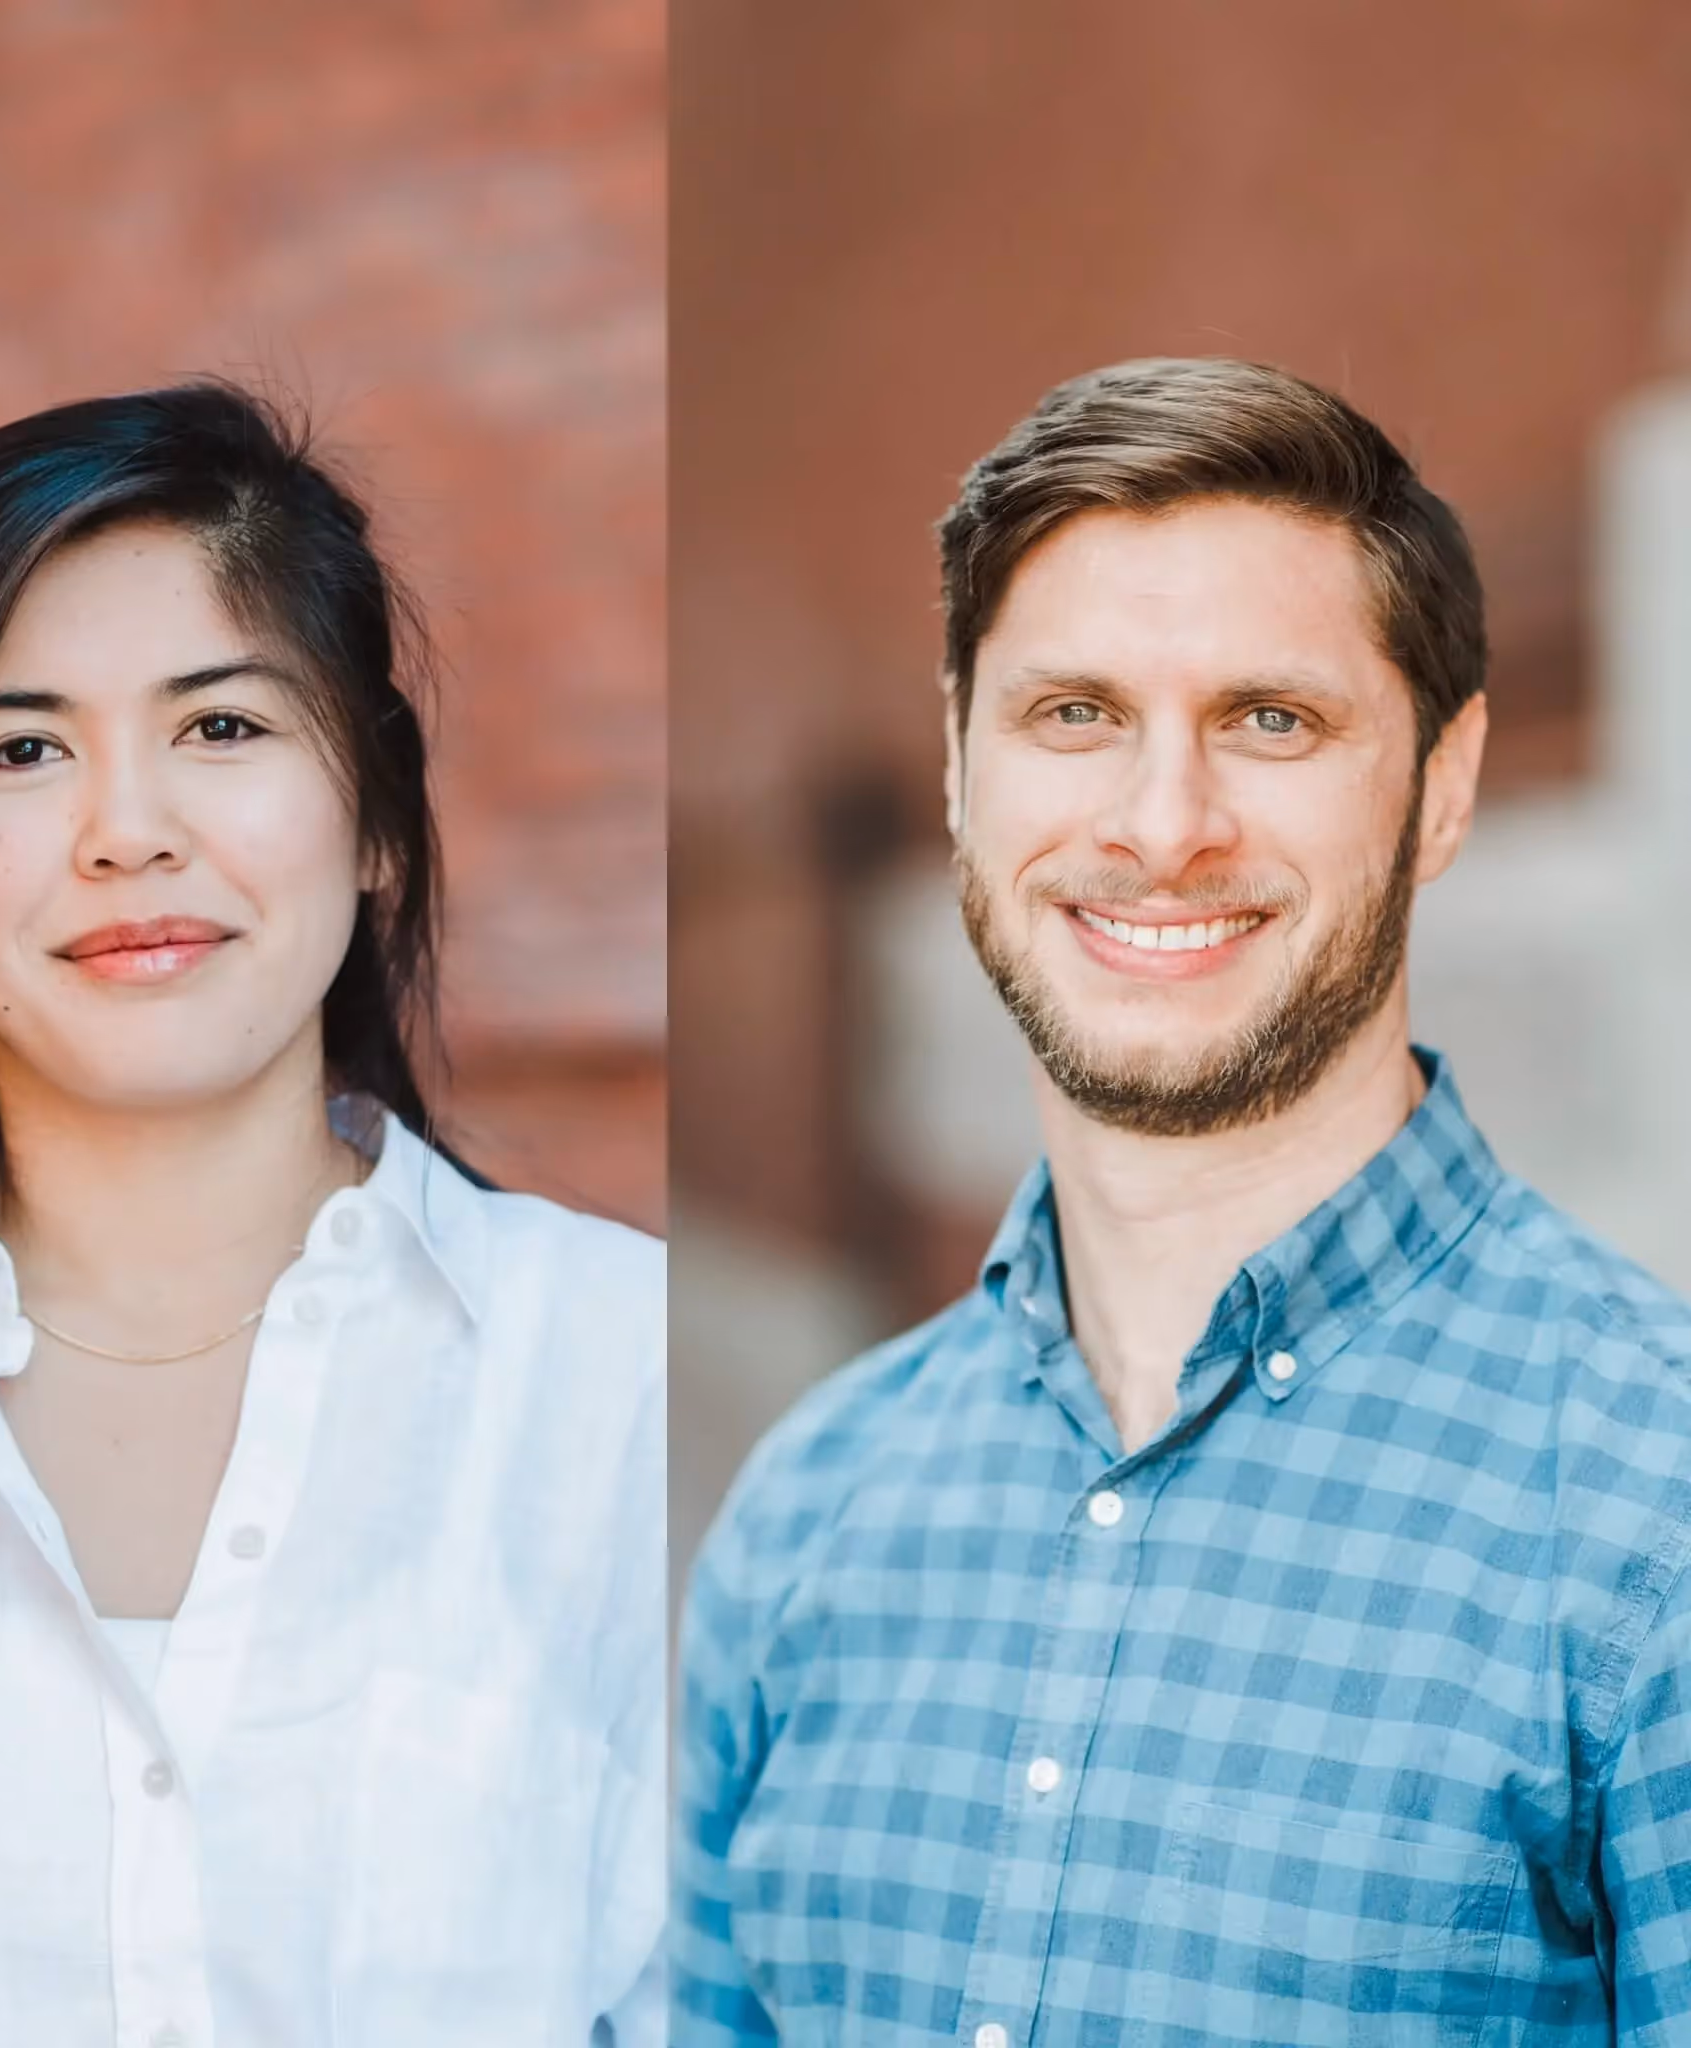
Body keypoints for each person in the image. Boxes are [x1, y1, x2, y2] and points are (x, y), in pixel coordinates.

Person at [672, 356, 1691, 2043]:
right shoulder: (805, 1521)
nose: (1163, 826)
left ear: (1440, 785)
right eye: (1075, 715)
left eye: (1269, 721)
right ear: (956, 769)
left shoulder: (1653, 1511)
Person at [0, 383, 664, 2047]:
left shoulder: (625, 1392)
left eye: (223, 729)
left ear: (381, 815)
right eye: (22, 750)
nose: (129, 835)